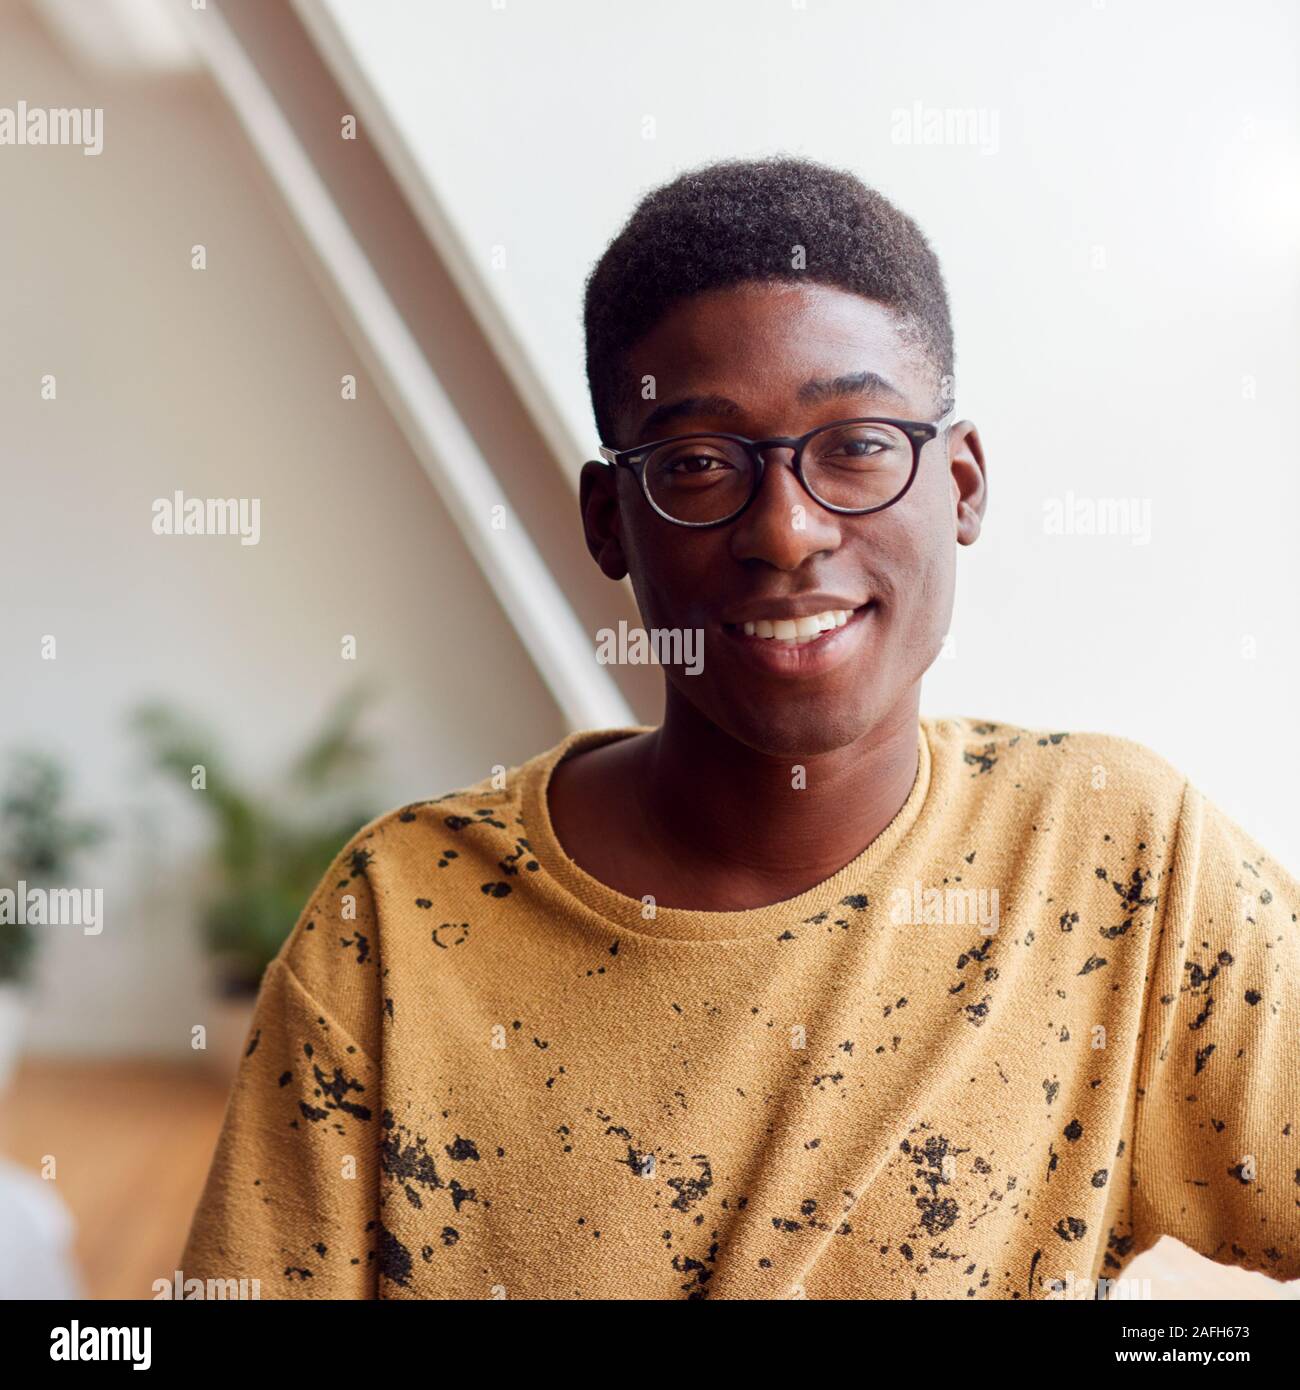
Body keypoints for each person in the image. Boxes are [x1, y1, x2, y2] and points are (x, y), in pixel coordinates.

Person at [180, 156, 1298, 1300]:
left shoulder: (1111, 852)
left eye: (856, 443)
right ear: (611, 523)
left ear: (959, 484)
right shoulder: (402, 917)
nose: (787, 530)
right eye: (702, 464)